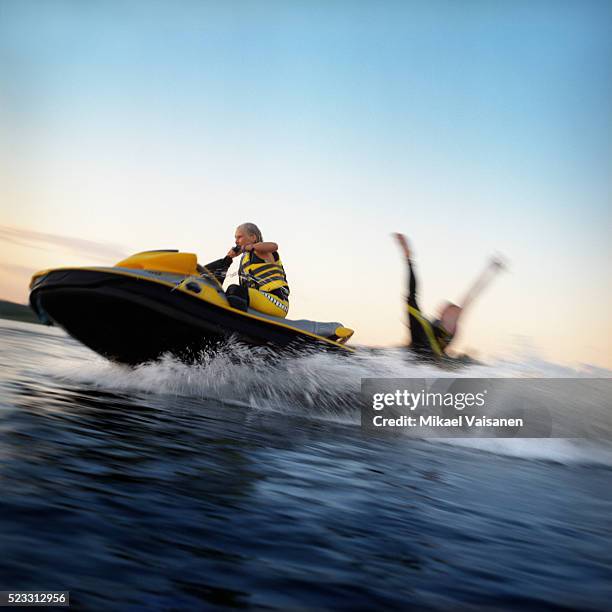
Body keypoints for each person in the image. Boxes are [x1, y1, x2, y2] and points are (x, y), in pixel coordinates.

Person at [394, 233, 504, 359]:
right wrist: (408, 259)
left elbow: (472, 294)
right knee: (411, 299)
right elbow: (412, 292)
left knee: (412, 300)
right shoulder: (428, 325)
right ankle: (409, 259)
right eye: (450, 311)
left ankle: (409, 259)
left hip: (432, 355)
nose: (455, 314)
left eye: (455, 312)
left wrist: (490, 271)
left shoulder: (452, 323)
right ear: (442, 313)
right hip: (420, 345)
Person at [203, 223, 290, 318]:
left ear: (253, 237)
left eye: (239, 237)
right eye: (235, 238)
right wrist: (228, 258)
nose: (236, 241)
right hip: (257, 298)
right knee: (228, 293)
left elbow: (274, 246)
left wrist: (248, 247)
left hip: (277, 301)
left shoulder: (263, 251)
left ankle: (235, 323)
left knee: (235, 290)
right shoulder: (246, 258)